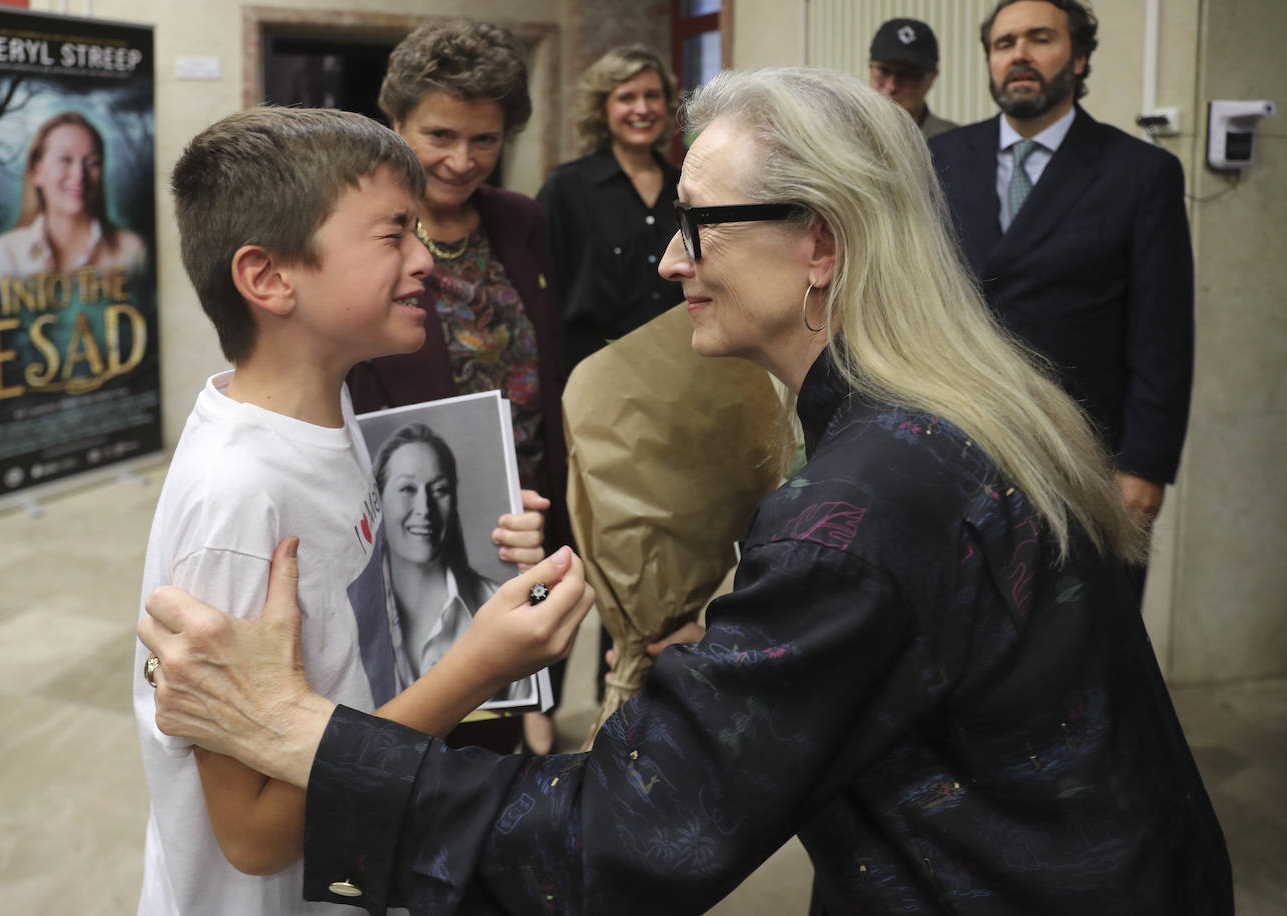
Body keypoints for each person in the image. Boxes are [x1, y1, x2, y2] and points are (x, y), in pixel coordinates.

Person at [139, 67, 1233, 914]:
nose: (668, 261)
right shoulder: (952, 409)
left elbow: (615, 840)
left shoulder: (863, 510)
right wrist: (747, 647)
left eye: (701, 224)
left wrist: (307, 734)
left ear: (822, 242)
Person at [132, 107, 566, 915]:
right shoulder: (239, 505)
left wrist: (485, 540)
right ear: (269, 278)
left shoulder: (339, 422)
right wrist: (479, 667)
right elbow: (253, 835)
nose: (426, 261)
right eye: (393, 235)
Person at [349, 18, 572, 755]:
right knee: (432, 737)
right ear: (396, 121)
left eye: (484, 139)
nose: (461, 159)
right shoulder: (365, 233)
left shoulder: (522, 220)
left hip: (529, 519)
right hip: (418, 528)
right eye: (439, 134)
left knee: (514, 712)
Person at [928, 0, 1193, 530]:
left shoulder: (1141, 173)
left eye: (1040, 39)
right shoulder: (939, 158)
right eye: (1004, 44)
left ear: (1079, 60)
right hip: (952, 447)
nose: (1019, 54)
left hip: (1082, 461)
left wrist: (1145, 464)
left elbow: (1161, 335)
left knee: (1082, 614)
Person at [537, 44, 684, 371]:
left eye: (653, 96)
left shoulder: (686, 186)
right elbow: (545, 293)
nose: (642, 108)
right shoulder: (567, 187)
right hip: (595, 375)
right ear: (602, 108)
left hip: (680, 370)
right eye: (626, 97)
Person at [372, 423, 532, 702]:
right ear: (378, 501)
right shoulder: (353, 615)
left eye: (439, 489)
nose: (425, 509)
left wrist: (541, 586)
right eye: (407, 488)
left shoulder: (497, 603)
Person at [0, 111, 145, 301]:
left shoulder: (132, 251)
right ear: (37, 171)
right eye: (65, 159)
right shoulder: (0, 256)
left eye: (93, 162)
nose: (79, 175)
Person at [869, 18, 958, 139]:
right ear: (870, 66)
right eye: (884, 71)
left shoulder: (955, 142)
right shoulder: (844, 135)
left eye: (907, 75)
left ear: (932, 77)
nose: (892, 86)